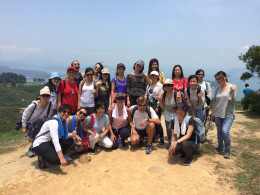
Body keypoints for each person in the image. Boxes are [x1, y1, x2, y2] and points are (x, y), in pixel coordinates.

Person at [32, 104, 75, 169]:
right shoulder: (54, 122)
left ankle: (54, 154)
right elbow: (56, 141)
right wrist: (61, 158)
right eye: (64, 111)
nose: (66, 114)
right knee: (56, 160)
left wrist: (72, 135)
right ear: (59, 112)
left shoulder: (64, 121)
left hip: (49, 141)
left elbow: (63, 135)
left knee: (70, 140)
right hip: (40, 143)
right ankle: (41, 156)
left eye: (68, 112)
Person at [211, 71, 237, 159]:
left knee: (225, 131)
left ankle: (227, 151)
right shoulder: (218, 89)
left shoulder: (232, 87)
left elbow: (233, 101)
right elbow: (215, 101)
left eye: (220, 78)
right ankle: (220, 147)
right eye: (217, 79)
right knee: (219, 131)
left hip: (228, 114)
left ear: (225, 77)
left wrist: (232, 92)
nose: (219, 80)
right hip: (217, 113)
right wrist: (212, 112)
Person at [22, 87, 54, 157]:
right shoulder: (34, 105)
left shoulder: (50, 104)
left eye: (47, 96)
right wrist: (24, 127)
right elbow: (25, 114)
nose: (45, 97)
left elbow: (49, 114)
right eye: (43, 95)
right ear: (40, 96)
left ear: (49, 97)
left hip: (42, 122)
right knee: (38, 132)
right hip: (31, 123)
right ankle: (31, 149)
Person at [157, 79, 182, 149]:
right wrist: (159, 100)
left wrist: (179, 99)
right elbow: (163, 107)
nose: (166, 87)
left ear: (172, 86)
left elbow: (180, 105)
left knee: (172, 128)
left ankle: (174, 141)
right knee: (168, 129)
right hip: (167, 113)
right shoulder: (163, 94)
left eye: (168, 85)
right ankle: (170, 141)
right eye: (165, 85)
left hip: (175, 113)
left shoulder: (176, 94)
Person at [145, 71, 164, 144]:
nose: (153, 77)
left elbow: (161, 97)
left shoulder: (160, 86)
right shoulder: (149, 85)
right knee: (151, 121)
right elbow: (146, 95)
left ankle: (161, 137)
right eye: (152, 75)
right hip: (149, 106)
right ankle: (152, 137)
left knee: (157, 122)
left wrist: (158, 106)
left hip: (156, 106)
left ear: (157, 76)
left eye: (154, 76)